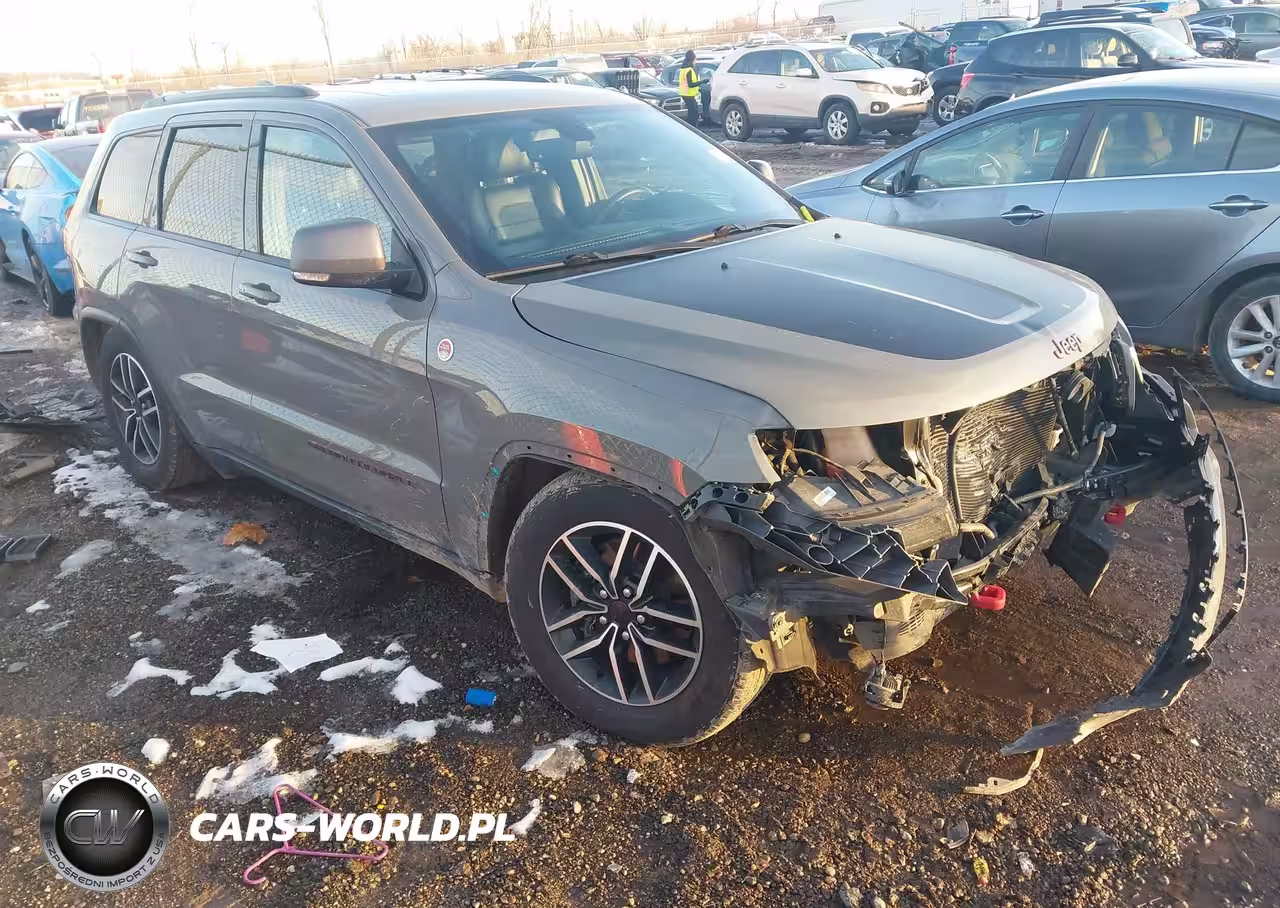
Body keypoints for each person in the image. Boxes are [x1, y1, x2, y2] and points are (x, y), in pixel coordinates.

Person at [677, 51, 703, 126]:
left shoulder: (683, 69)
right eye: (695, 59)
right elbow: (691, 84)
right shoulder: (689, 70)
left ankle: (691, 126)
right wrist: (702, 82)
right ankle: (692, 127)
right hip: (689, 94)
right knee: (694, 114)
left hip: (685, 93)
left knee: (692, 112)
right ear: (693, 59)